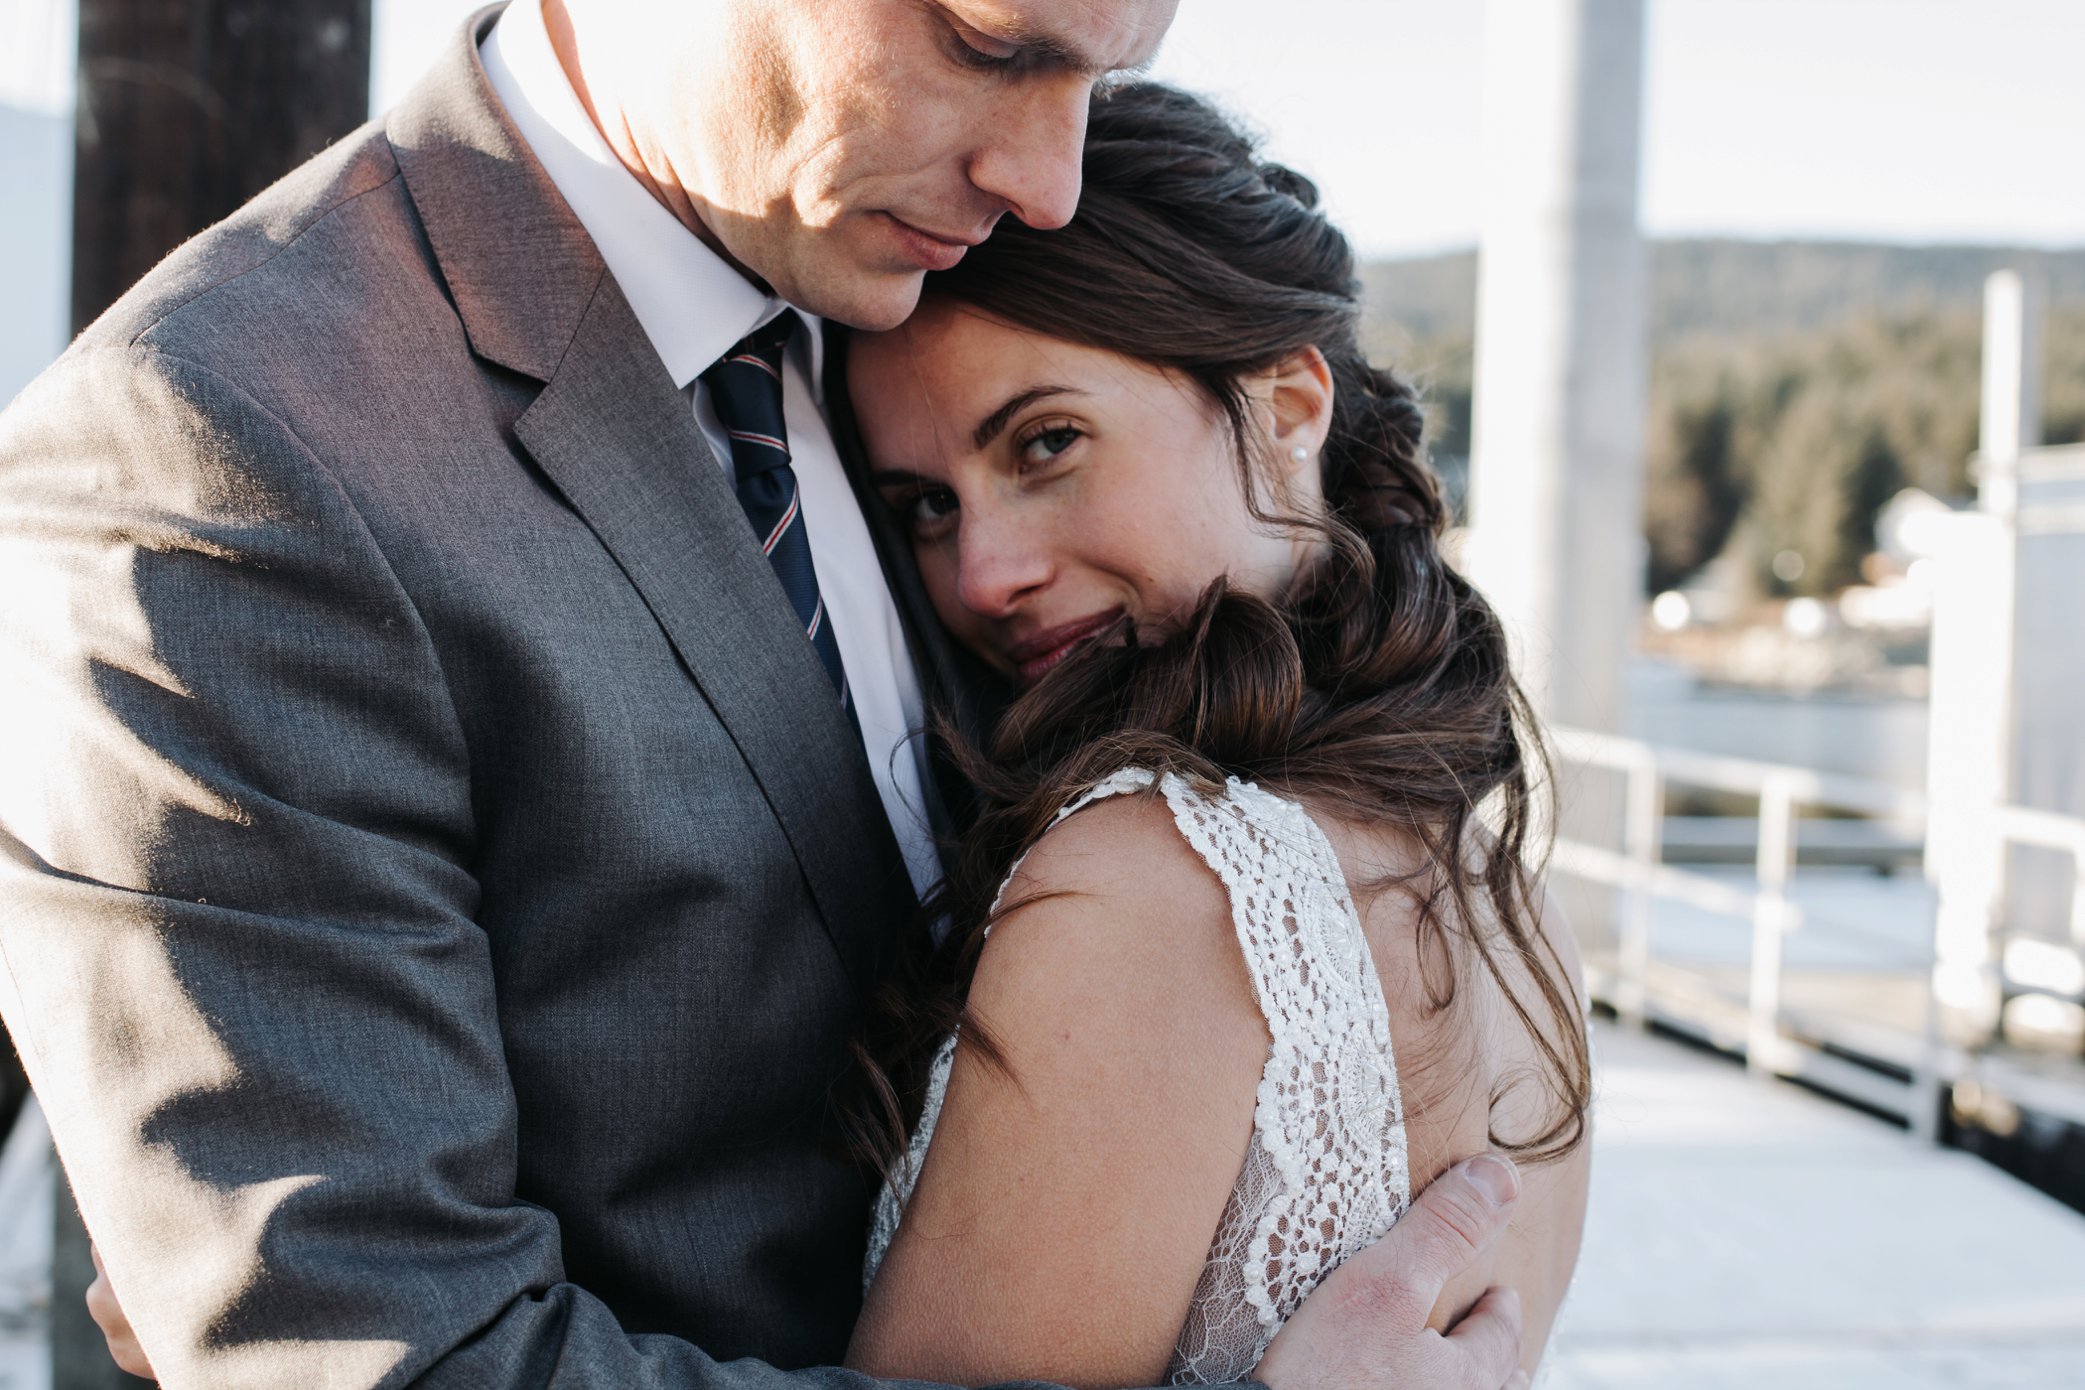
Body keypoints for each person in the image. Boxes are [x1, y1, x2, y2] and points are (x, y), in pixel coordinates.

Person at [0, 0, 1532, 1386]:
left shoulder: (929, 321)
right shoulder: (219, 451)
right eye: (993, 46)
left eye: (1102, 73)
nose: (1050, 182)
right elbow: (381, 1353)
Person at [836, 84, 1592, 1385]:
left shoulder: (1144, 884)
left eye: (1045, 441)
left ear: (1289, 405)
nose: (981, 573)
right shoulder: (1505, 900)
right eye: (923, 506)